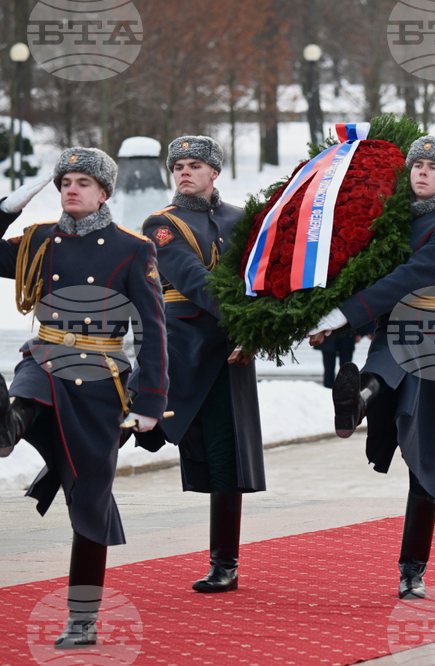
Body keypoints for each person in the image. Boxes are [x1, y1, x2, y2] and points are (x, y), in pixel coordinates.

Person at [0, 148, 168, 648]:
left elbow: (154, 331)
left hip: (100, 379)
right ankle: (8, 426)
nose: (70, 189)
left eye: (82, 182)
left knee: (89, 501)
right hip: (47, 357)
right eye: (64, 181)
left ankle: (81, 618)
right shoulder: (39, 241)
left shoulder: (131, 248)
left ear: (103, 192)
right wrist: (8, 206)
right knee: (31, 380)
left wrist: (149, 399)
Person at [308, 135, 435, 600]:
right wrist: (317, 313)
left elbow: (406, 277)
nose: (421, 172)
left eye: (432, 167)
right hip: (397, 327)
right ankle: (355, 403)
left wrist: (342, 315)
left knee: (425, 454)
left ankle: (412, 568)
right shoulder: (391, 222)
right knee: (380, 373)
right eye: (416, 164)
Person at [140, 136, 265, 593]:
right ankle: (51, 465)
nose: (185, 172)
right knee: (135, 425)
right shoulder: (162, 223)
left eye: (195, 165)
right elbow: (192, 279)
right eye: (178, 166)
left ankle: (224, 564)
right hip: (180, 349)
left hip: (230, 353)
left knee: (224, 458)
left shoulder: (242, 221)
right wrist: (251, 325)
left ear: (215, 173)